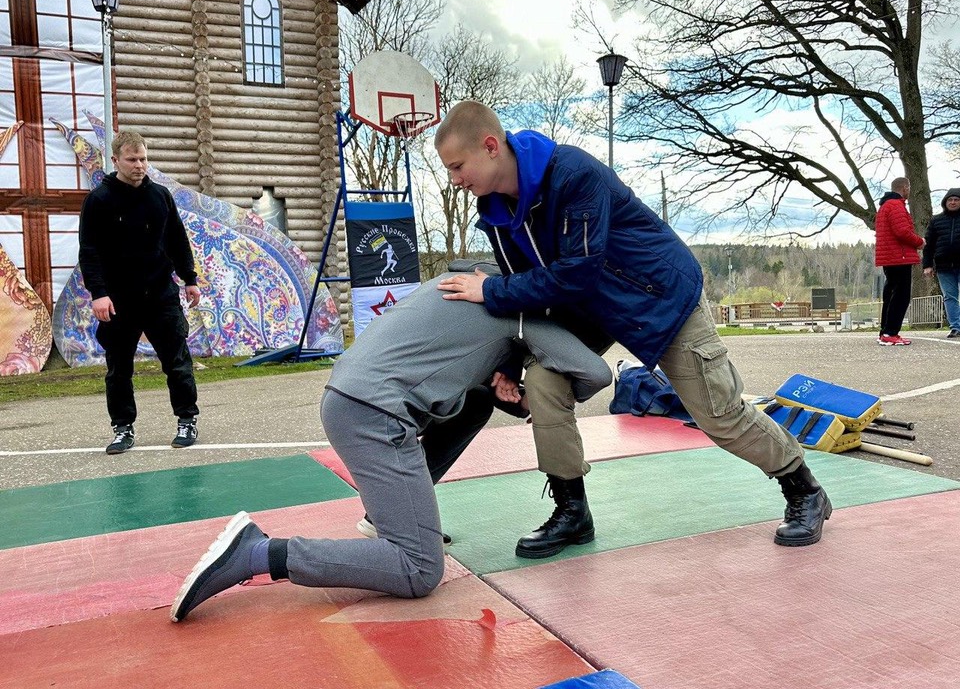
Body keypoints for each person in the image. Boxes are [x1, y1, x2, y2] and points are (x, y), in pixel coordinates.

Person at [433, 100, 832, 551]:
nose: (455, 180)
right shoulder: (494, 212)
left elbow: (575, 273)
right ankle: (572, 512)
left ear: (490, 146)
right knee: (544, 383)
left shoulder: (572, 174)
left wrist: (489, 290)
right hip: (586, 309)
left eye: (457, 166)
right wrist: (510, 364)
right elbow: (527, 292)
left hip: (657, 298)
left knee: (718, 414)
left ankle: (804, 489)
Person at [170, 268, 611, 622]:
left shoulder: (454, 281)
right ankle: (257, 553)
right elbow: (595, 373)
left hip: (348, 398)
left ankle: (387, 516)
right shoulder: (521, 311)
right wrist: (543, 386)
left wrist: (507, 378)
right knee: (419, 569)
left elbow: (454, 365)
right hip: (376, 417)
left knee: (475, 403)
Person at [78, 131, 201, 454]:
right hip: (118, 300)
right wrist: (98, 293)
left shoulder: (160, 196)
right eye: (132, 159)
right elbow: (89, 251)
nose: (139, 165)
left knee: (177, 363)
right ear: (115, 160)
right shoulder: (99, 201)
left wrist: (189, 279)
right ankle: (122, 428)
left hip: (161, 295)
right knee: (119, 369)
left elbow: (177, 240)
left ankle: (187, 420)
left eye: (143, 159)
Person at [874, 177, 924, 346]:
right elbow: (902, 231)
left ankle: (885, 331)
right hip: (899, 257)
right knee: (901, 296)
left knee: (891, 294)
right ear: (905, 188)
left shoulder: (885, 206)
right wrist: (920, 242)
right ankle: (891, 332)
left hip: (889, 257)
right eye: (908, 188)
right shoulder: (896, 205)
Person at [922, 188, 960, 338]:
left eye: (956, 200)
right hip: (944, 266)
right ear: (945, 202)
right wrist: (927, 265)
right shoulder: (936, 220)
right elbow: (928, 245)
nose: (953, 202)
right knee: (949, 297)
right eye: (950, 200)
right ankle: (956, 327)